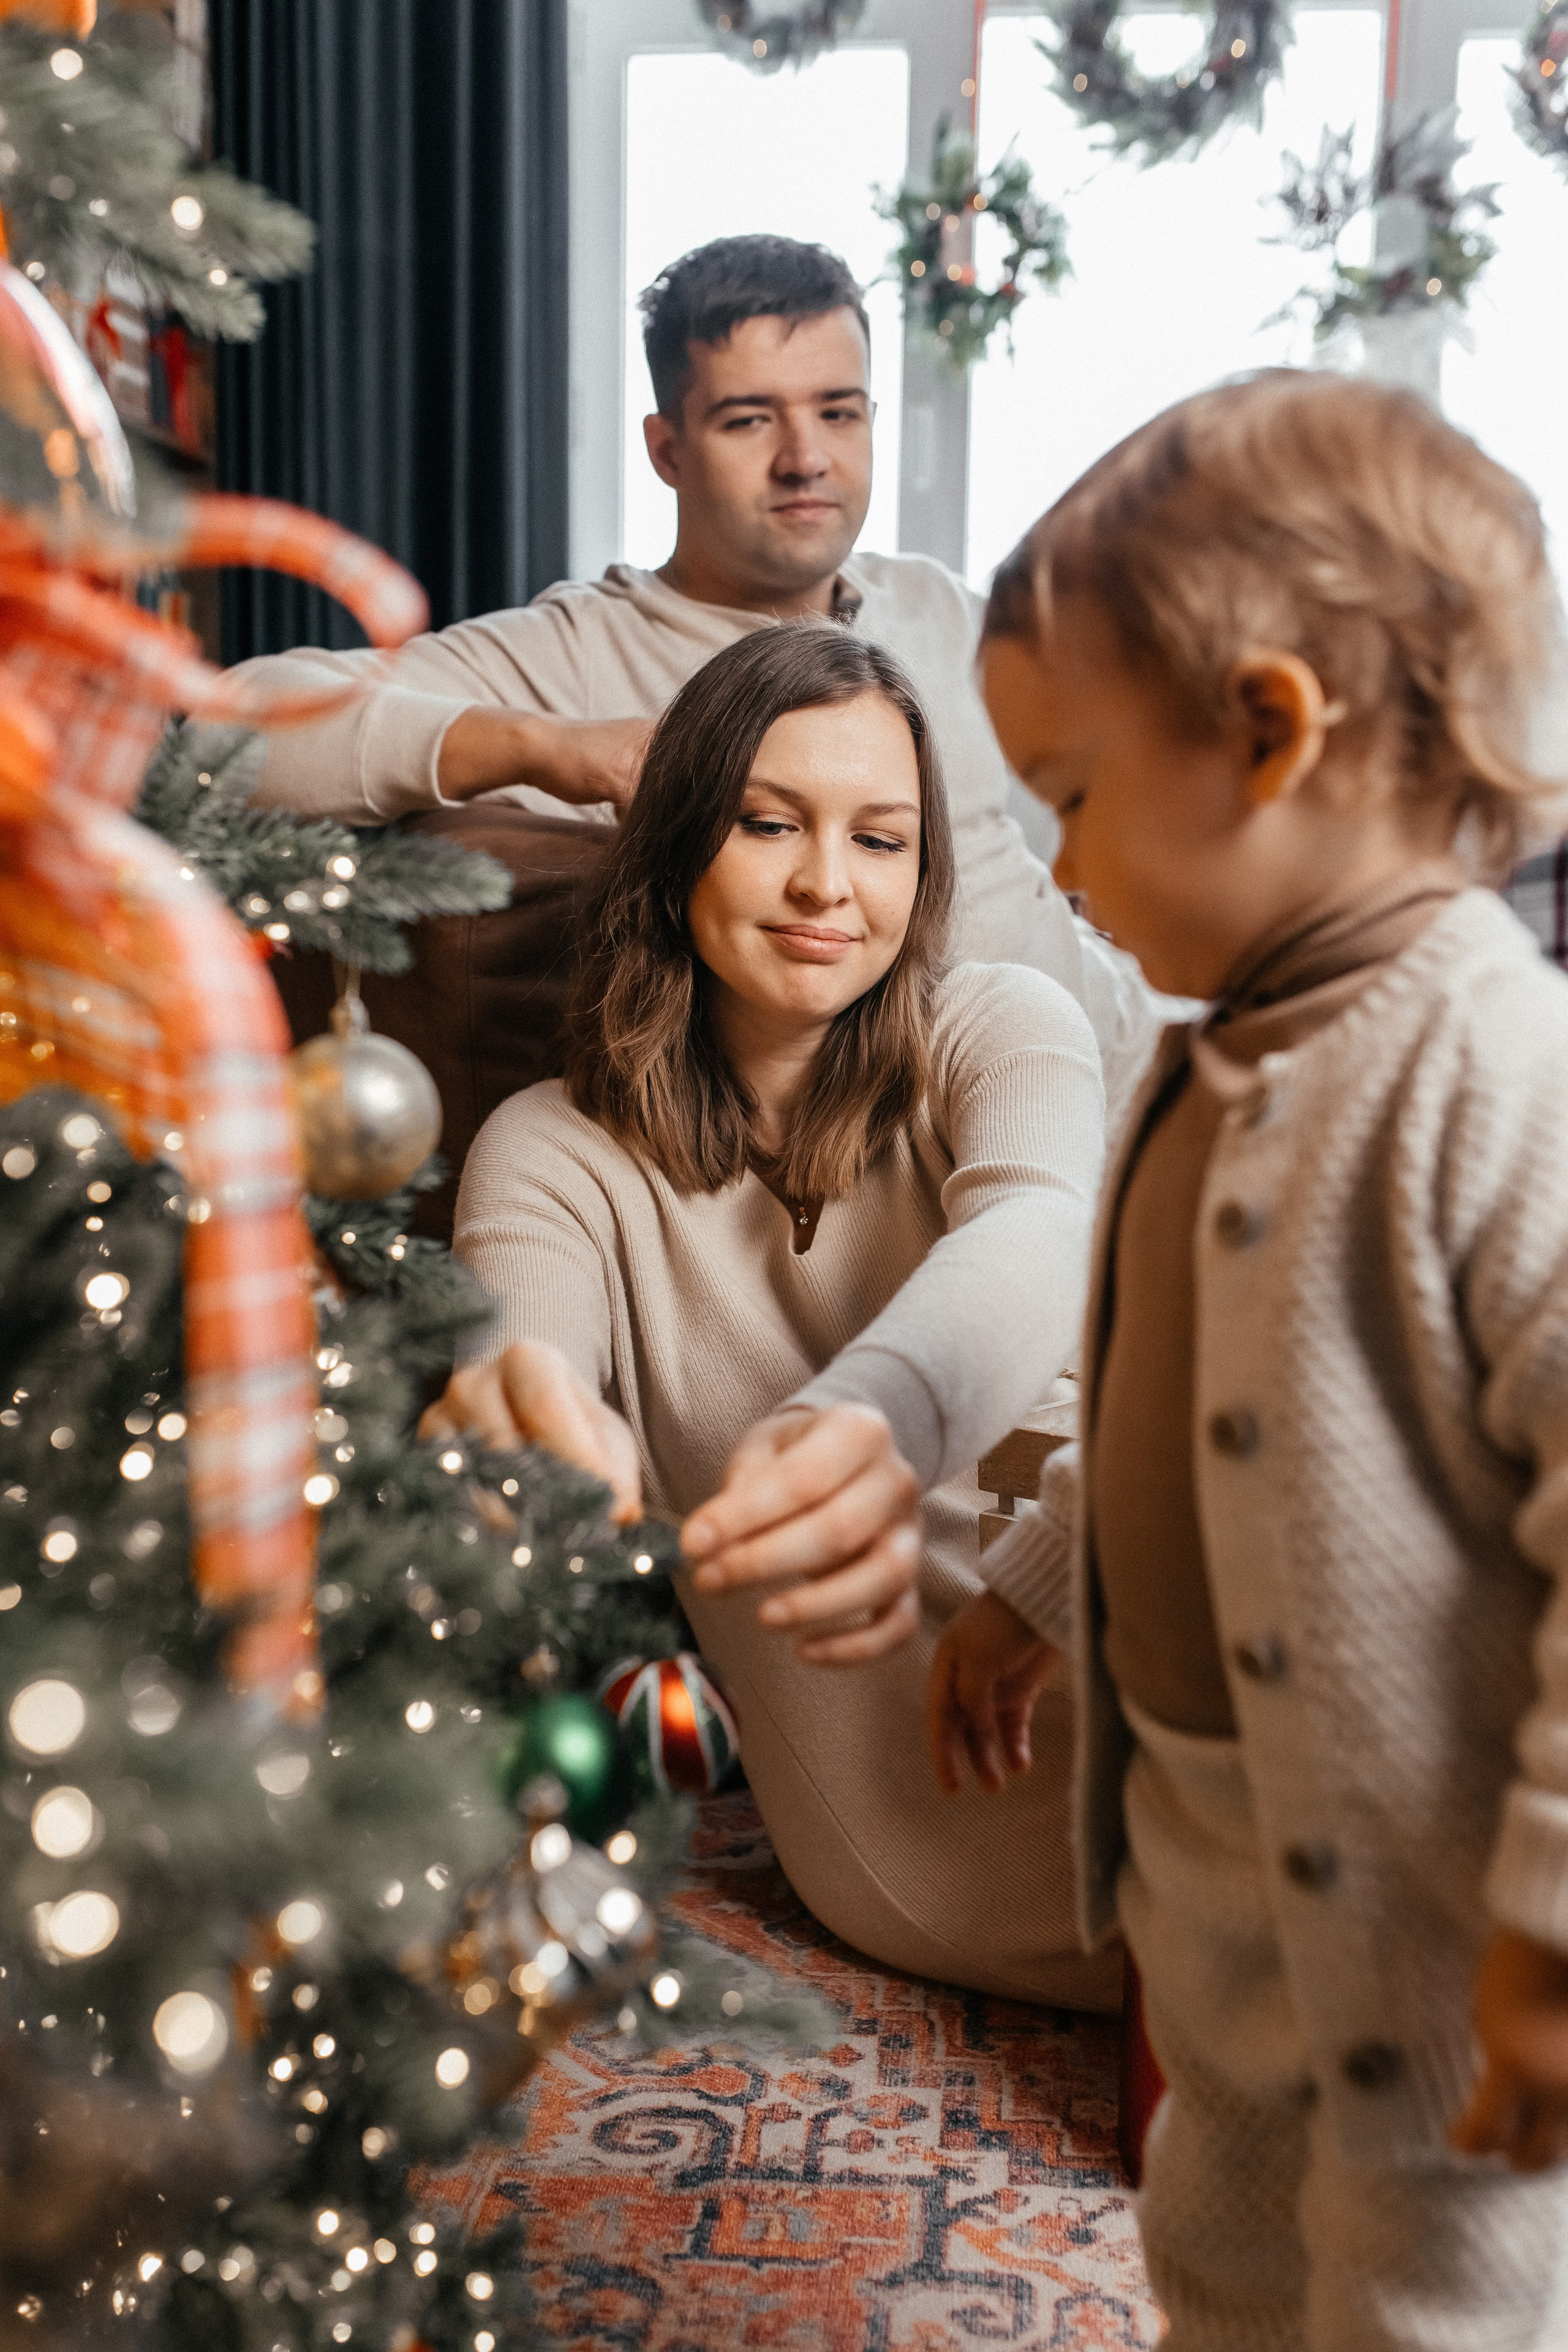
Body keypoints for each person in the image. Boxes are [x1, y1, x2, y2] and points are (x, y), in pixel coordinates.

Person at [929, 371, 1568, 2346]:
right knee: (1219, 2261)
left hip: (1437, 1950)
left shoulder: (1493, 1078)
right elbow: (1179, 1405)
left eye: (1076, 799)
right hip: (1221, 1909)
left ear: (1270, 734)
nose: (1063, 866)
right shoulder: (1205, 1057)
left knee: (1423, 2306)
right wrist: (1036, 1592)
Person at [423, 621, 1120, 2009]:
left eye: (880, 839)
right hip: (928, 1808)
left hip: (1108, 1621)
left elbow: (1036, 1235)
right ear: (681, 836)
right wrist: (529, 1445)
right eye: (766, 822)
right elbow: (525, 1364)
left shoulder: (998, 1023)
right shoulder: (554, 1149)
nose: (825, 885)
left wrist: (863, 1418)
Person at [232, 234, 1158, 1128]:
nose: (806, 458)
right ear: (668, 449)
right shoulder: (580, 651)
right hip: (972, 1162)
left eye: (838, 411)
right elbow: (221, 737)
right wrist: (553, 749)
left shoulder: (942, 609)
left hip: (1141, 1082)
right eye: (750, 419)